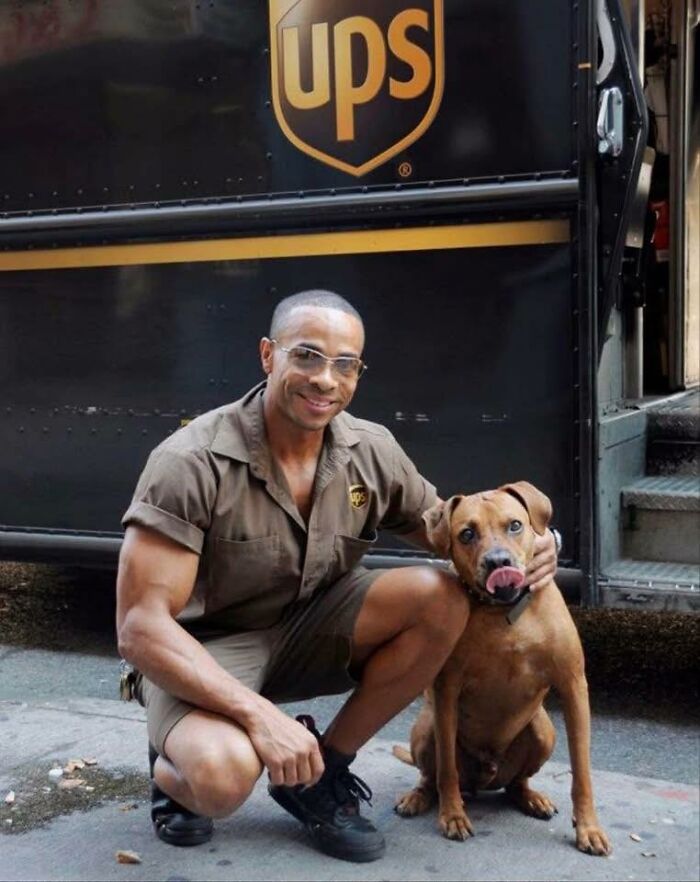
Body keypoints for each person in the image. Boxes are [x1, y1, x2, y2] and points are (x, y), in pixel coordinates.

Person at [116, 290, 557, 863]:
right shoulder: (190, 462)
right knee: (222, 779)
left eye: (345, 364)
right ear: (268, 355)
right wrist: (262, 719)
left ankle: (320, 775)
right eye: (307, 356)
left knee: (442, 596)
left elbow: (454, 530)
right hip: (209, 650)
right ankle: (171, 768)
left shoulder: (369, 449)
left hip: (310, 628)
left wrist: (539, 545)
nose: (326, 379)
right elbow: (139, 626)